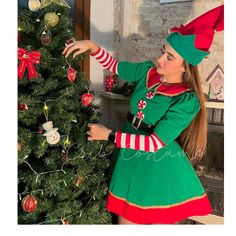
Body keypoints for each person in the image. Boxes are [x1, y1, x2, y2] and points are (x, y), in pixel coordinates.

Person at [63, 5, 224, 224]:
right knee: (124, 220)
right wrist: (92, 46)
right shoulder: (148, 71)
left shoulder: (187, 100)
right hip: (130, 155)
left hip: (157, 165)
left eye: (170, 57)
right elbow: (115, 65)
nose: (160, 60)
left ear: (186, 67)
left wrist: (109, 135)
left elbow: (155, 143)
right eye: (163, 52)